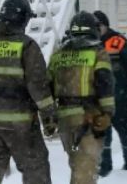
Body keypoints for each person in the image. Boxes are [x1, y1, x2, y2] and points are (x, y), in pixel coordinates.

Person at [0, 0, 57, 184]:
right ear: (23, 19)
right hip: (20, 121)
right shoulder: (27, 46)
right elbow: (39, 87)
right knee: (35, 165)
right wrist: (49, 118)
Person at [48, 11, 115, 184]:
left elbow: (46, 87)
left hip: (64, 119)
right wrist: (107, 113)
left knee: (77, 166)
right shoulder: (98, 52)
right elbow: (105, 84)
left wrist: (48, 118)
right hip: (88, 118)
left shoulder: (58, 54)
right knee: (86, 169)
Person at [93, 10, 127, 177]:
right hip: (99, 99)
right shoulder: (90, 44)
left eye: (98, 26)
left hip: (121, 97)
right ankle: (104, 168)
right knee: (103, 135)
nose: (95, 29)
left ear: (105, 25)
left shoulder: (118, 41)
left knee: (125, 132)